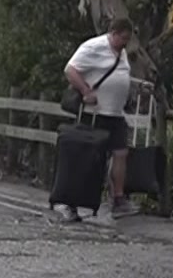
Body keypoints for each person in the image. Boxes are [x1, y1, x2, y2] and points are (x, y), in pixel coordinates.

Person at [57, 18, 137, 221]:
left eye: (128, 39)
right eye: (123, 39)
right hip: (95, 113)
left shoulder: (122, 52)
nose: (125, 43)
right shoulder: (94, 47)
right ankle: (71, 203)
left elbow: (120, 76)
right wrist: (85, 90)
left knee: (121, 153)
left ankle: (118, 199)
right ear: (114, 34)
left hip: (115, 113)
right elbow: (70, 69)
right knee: (85, 158)